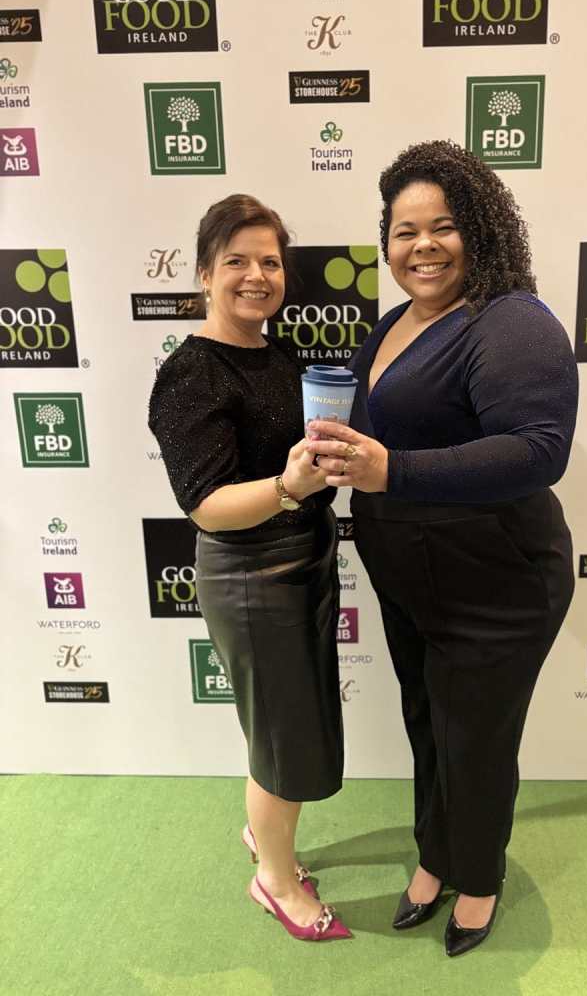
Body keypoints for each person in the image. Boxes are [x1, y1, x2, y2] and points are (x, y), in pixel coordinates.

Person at [307, 141, 578, 957]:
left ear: (482, 230)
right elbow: (381, 430)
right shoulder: (395, 323)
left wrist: (393, 468)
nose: (421, 245)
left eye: (444, 226)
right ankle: (435, 858)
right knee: (428, 722)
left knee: (477, 738)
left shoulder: (510, 319)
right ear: (386, 242)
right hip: (412, 577)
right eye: (403, 230)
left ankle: (479, 877)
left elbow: (538, 449)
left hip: (495, 581)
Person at [148, 194, 351, 942]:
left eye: (269, 261)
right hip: (249, 574)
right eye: (236, 260)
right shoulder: (190, 374)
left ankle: (265, 837)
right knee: (282, 736)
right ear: (204, 272)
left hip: (303, 561)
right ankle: (274, 879)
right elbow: (205, 505)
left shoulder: (279, 354)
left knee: (282, 724)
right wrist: (291, 486)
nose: (256, 275)